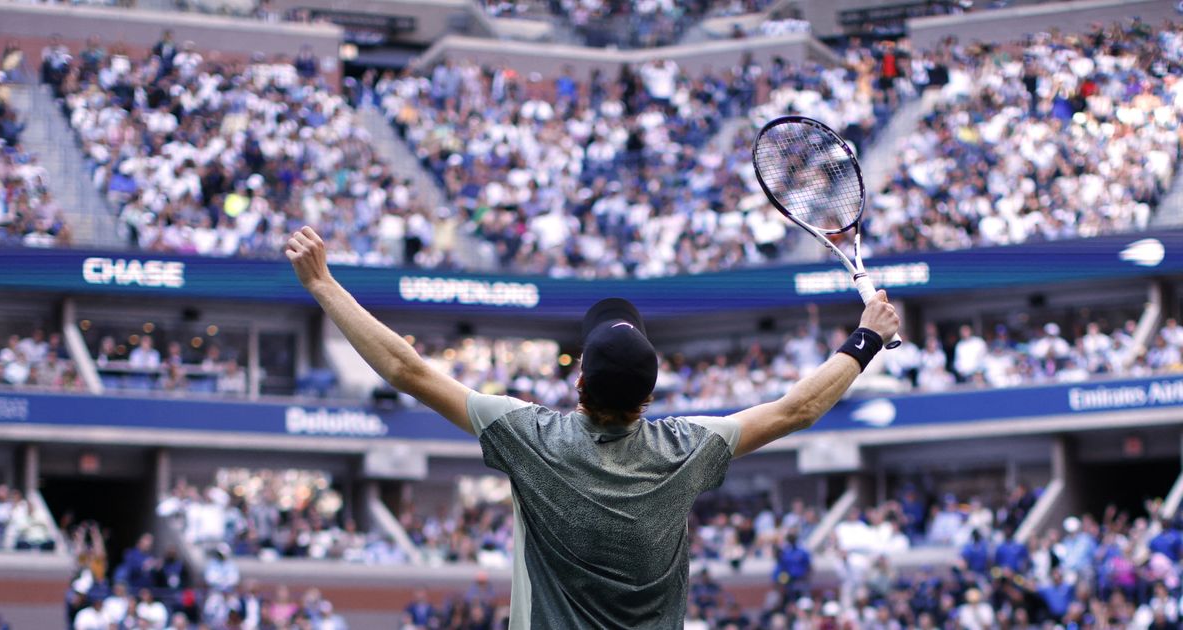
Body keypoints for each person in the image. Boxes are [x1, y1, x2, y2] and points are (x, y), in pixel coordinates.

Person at [284, 226, 900, 628]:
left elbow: (407, 368)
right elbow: (797, 409)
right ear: (651, 395)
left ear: (579, 383)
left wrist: (322, 284)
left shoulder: (527, 437)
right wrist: (866, 337)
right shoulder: (688, 449)